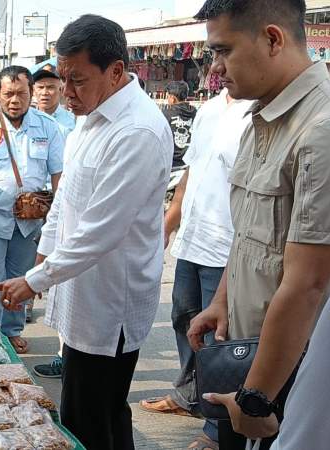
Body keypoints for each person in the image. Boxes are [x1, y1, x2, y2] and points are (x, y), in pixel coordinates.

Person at [0, 15, 172, 449]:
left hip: (109, 302)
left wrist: (34, 281)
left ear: (116, 71)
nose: (66, 92)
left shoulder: (136, 130)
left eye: (77, 80)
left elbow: (101, 231)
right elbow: (66, 196)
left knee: (91, 418)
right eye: (63, 78)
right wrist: (43, 254)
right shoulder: (91, 116)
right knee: (96, 411)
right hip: (81, 290)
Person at [187, 1, 330, 449]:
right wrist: (223, 299)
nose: (215, 69)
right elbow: (252, 232)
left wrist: (257, 399)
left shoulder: (321, 131)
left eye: (223, 50)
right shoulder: (262, 118)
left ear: (273, 38)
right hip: (250, 356)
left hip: (291, 377)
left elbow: (309, 282)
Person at [139, 89, 252, 450]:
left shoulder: (257, 112)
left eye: (226, 52)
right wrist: (169, 223)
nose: (218, 64)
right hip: (194, 237)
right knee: (184, 319)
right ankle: (189, 396)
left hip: (227, 247)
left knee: (220, 339)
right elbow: (192, 170)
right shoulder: (210, 108)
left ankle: (217, 429)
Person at [0, 65, 65, 355]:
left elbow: (58, 172)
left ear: (31, 94)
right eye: (8, 94)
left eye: (21, 93)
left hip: (29, 220)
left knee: (21, 277)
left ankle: (12, 330)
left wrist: (56, 211)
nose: (14, 100)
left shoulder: (47, 127)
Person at [30, 68, 76, 377]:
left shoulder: (75, 122)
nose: (47, 93)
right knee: (36, 271)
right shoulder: (24, 121)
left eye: (52, 87)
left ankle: (65, 354)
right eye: (40, 88)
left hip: (62, 209)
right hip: (32, 209)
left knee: (64, 281)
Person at [162, 80, 197, 168]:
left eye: (168, 97)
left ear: (172, 98)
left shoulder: (166, 113)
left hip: (171, 162)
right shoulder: (196, 112)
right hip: (190, 162)